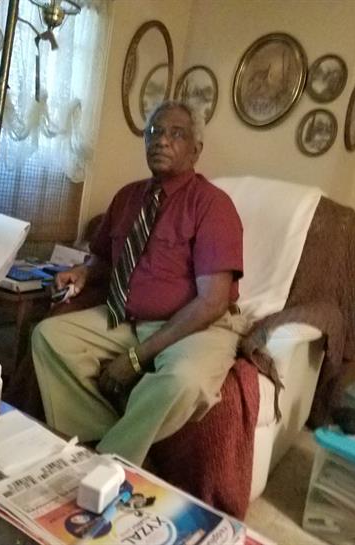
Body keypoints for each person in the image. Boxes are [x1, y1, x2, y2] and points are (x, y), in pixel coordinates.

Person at [32, 100, 244, 466]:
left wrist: (136, 358)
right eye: (154, 132)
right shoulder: (127, 197)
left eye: (176, 134)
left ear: (196, 150)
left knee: (183, 380)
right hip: (127, 320)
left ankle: (104, 464)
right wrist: (84, 272)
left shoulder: (212, 205)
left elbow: (212, 302)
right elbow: (103, 258)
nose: (161, 140)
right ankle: (106, 437)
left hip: (195, 325)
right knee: (49, 337)